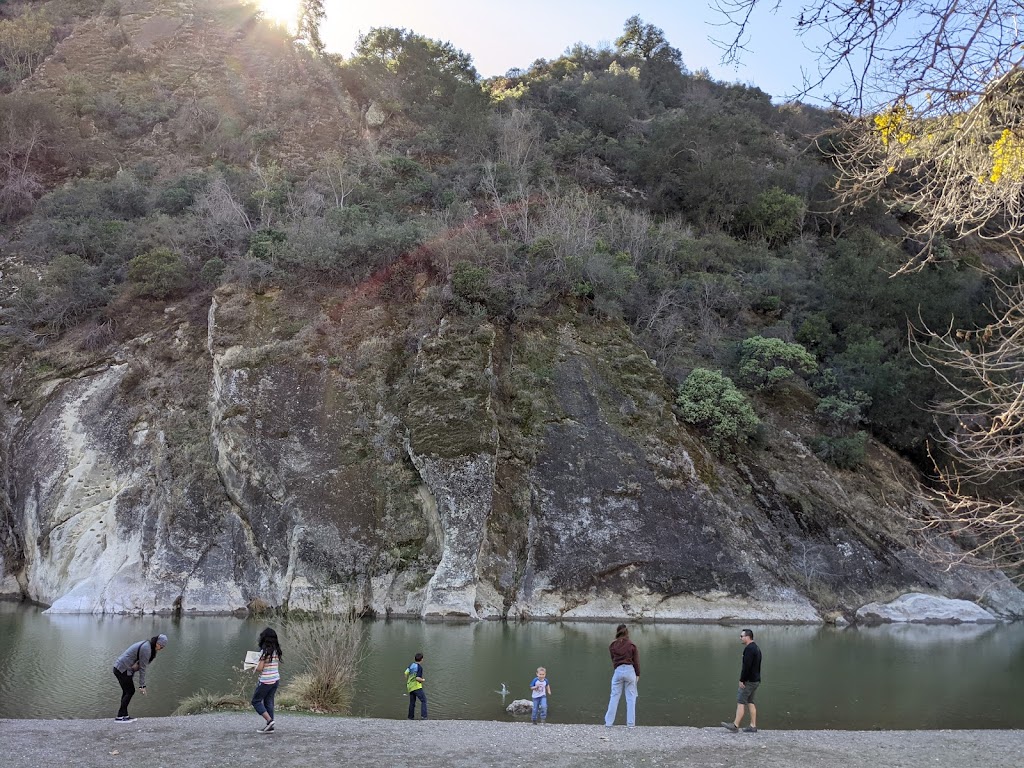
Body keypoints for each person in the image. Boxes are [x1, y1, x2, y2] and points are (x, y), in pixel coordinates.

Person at [112, 634, 168, 722]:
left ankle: (124, 715)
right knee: (130, 691)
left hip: (121, 668)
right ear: (157, 643)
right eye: (161, 646)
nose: (161, 648)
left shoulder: (148, 646)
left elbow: (138, 664)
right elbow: (142, 668)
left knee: (127, 691)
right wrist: (142, 685)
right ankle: (119, 716)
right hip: (122, 669)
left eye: (163, 647)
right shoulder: (147, 649)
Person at [722, 628, 762, 733]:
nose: (740, 638)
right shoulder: (756, 648)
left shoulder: (749, 649)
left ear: (747, 637)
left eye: (741, 636)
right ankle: (753, 726)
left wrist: (742, 680)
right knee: (750, 701)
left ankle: (735, 725)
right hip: (756, 680)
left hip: (749, 681)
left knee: (740, 701)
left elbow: (746, 667)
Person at [603, 624, 639, 728]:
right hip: (630, 671)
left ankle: (609, 723)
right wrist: (638, 674)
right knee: (631, 698)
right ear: (627, 632)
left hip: (618, 670)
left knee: (614, 697)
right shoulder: (632, 645)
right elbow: (636, 661)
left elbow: (613, 659)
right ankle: (630, 724)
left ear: (617, 632)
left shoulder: (612, 645)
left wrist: (618, 669)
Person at [252, 627, 283, 734]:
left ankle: (269, 721)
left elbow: (260, 668)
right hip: (275, 679)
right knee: (268, 701)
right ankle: (271, 726)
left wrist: (252, 666)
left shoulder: (264, 652)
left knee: (256, 701)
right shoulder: (276, 651)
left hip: (266, 681)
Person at [405, 652, 427, 720]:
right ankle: (424, 717)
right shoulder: (419, 667)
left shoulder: (411, 665)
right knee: (424, 700)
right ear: (422, 659)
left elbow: (405, 673)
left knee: (412, 703)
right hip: (417, 687)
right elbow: (417, 678)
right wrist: (423, 680)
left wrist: (409, 680)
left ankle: (410, 717)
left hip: (410, 687)